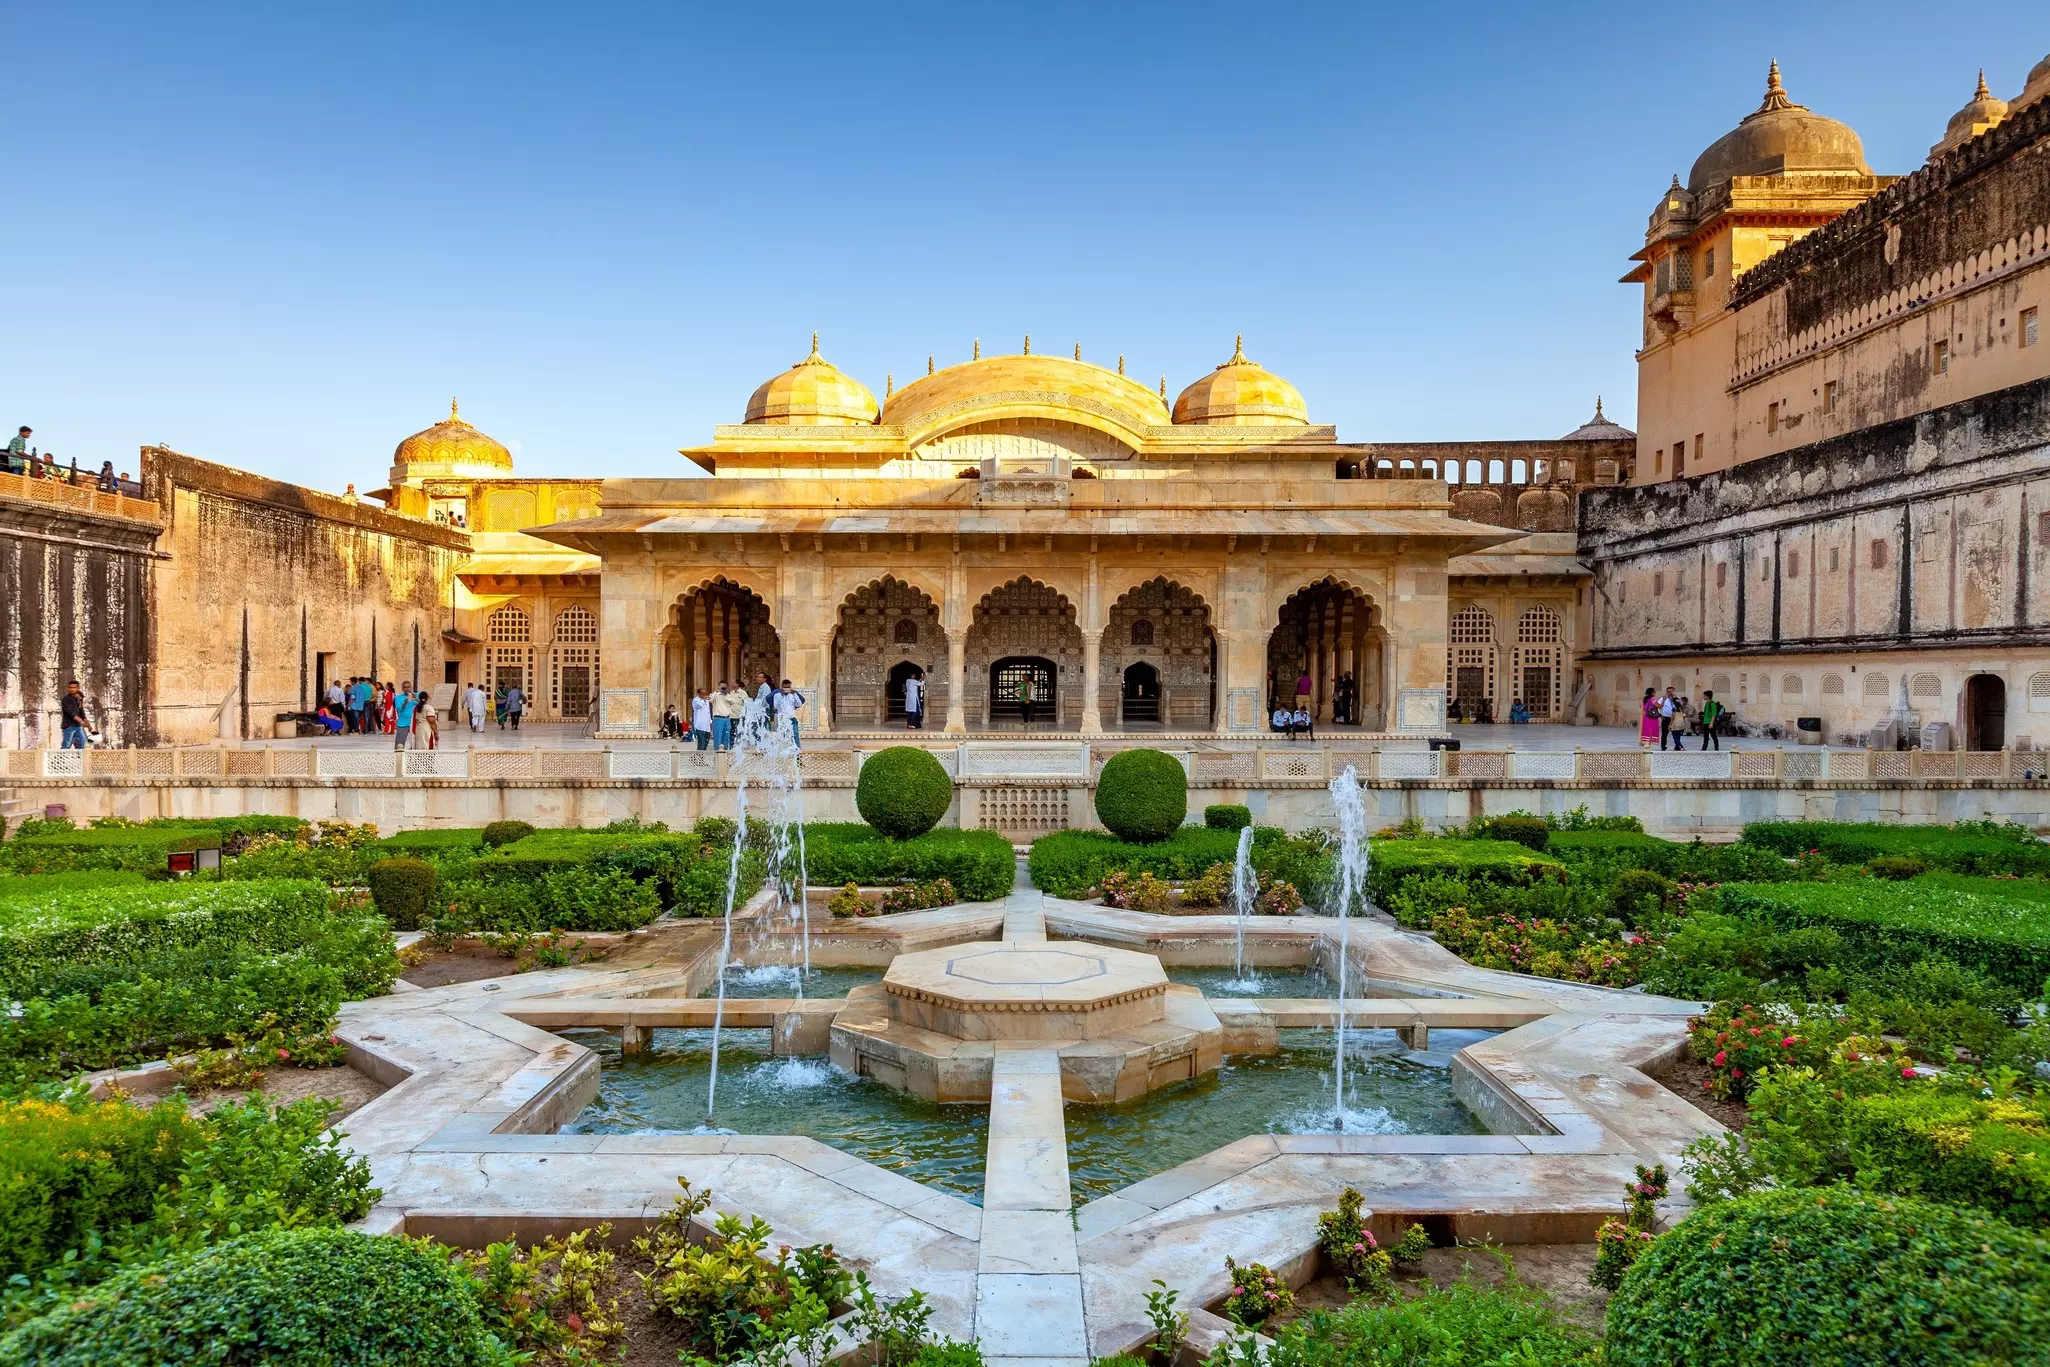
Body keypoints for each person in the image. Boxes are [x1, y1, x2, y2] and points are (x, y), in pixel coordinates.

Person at [60, 680, 92, 748]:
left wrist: (88, 725)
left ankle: (80, 755)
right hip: (69, 726)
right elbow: (71, 713)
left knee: (84, 745)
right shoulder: (65, 699)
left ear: (78, 688)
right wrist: (82, 722)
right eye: (70, 687)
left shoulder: (78, 699)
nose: (72, 689)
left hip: (78, 726)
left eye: (74, 687)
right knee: (66, 745)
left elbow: (82, 714)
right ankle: (60, 756)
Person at [775, 678, 804, 748]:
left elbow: (799, 704)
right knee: (782, 736)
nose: (787, 689)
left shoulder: (793, 695)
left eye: (788, 687)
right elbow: (776, 706)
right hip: (782, 719)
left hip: (792, 719)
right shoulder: (777, 695)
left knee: (795, 734)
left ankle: (797, 751)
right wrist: (781, 696)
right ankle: (782, 751)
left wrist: (795, 694)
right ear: (782, 687)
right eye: (785, 687)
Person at [710, 681, 739, 751]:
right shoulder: (715, 695)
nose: (723, 688)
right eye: (721, 687)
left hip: (727, 719)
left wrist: (725, 694)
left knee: (726, 736)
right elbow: (710, 700)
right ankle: (717, 752)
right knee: (718, 736)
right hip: (718, 718)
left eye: (724, 687)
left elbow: (733, 702)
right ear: (718, 687)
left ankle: (725, 752)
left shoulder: (728, 695)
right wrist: (716, 692)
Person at [392, 683, 417, 750]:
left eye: (408, 687)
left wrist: (416, 699)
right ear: (402, 688)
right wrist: (405, 703)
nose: (407, 689)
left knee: (417, 744)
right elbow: (398, 709)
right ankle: (398, 756)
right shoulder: (398, 697)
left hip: (416, 723)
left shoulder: (416, 695)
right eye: (405, 687)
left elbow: (424, 705)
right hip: (403, 723)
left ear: (411, 687)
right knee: (399, 745)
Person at [1658, 687, 1679, 751]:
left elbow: (1679, 707)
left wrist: (1674, 698)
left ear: (1673, 691)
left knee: (1676, 733)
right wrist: (1660, 715)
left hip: (1675, 719)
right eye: (1667, 692)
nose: (1669, 693)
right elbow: (1657, 707)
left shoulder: (1677, 698)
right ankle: (1663, 746)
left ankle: (1677, 746)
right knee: (1664, 733)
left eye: (1670, 692)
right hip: (1666, 718)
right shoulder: (1663, 699)